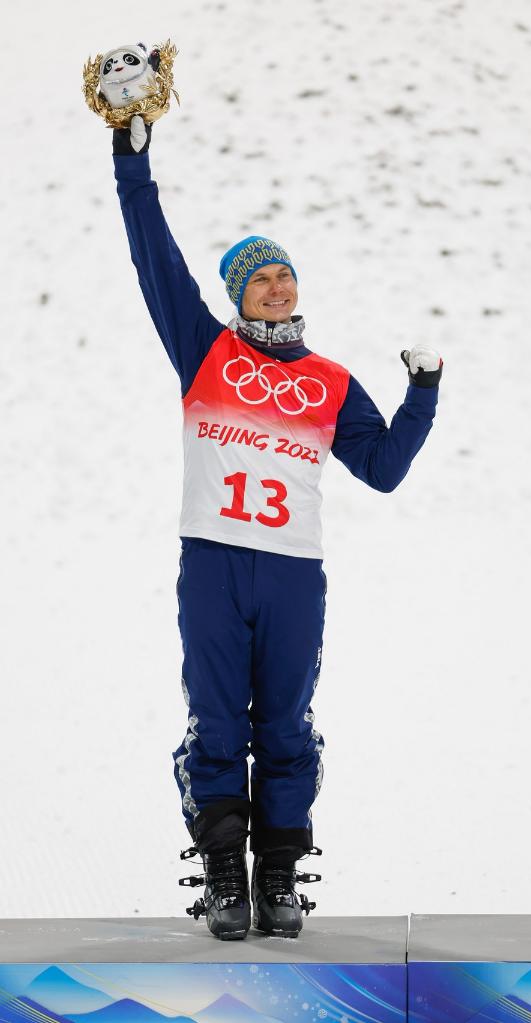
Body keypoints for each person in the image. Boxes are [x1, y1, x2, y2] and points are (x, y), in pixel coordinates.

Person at [111, 114, 442, 941]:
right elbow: (157, 262)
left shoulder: (330, 380)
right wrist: (132, 166)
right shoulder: (205, 351)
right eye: (259, 277)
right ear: (238, 293)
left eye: (285, 273)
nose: (277, 285)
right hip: (215, 561)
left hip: (293, 569)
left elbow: (383, 467)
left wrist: (423, 394)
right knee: (219, 720)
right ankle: (225, 869)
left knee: (287, 724)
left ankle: (280, 871)